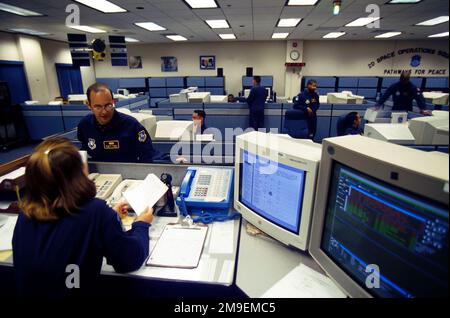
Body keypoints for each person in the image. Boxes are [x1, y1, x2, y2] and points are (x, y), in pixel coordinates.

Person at [12, 137, 154, 298]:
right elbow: (129, 260)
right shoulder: (95, 211)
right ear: (78, 172)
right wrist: (141, 224)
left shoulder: (26, 211)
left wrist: (110, 217)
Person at [77, 83, 160, 163]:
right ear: (89, 105)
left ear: (114, 102)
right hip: (99, 174)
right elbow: (84, 151)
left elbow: (148, 156)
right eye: (98, 107)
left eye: (108, 105)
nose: (104, 112)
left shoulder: (132, 125)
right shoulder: (85, 125)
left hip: (129, 173)